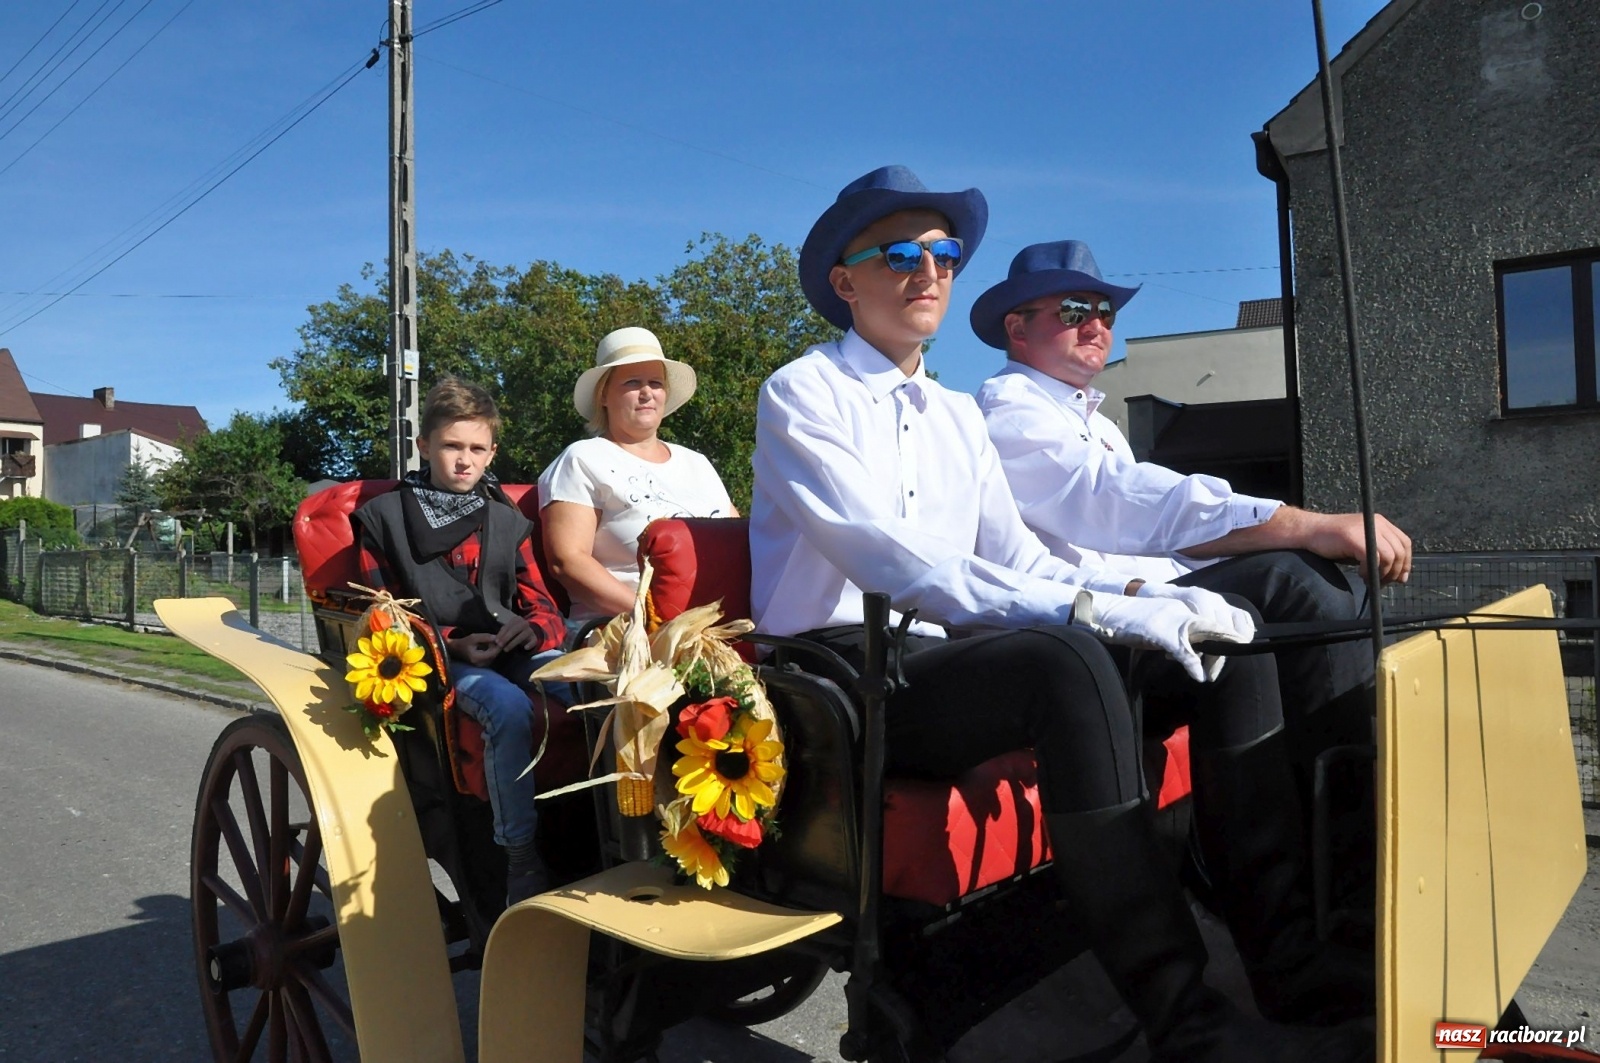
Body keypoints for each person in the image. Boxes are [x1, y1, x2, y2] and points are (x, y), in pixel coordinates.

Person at [749, 165, 1371, 1062]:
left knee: (1228, 642)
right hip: (845, 673)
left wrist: (1155, 601)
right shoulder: (803, 392)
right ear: (846, 282)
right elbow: (891, 560)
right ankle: (1186, 1021)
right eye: (901, 255)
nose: (930, 271)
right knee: (1062, 658)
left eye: (944, 253)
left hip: (944, 652)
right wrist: (1086, 612)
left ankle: (1289, 961)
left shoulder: (957, 414)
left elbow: (1022, 559)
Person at [971, 239, 1409, 804]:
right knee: (1293, 582)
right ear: (1018, 327)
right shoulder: (1008, 408)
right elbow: (1116, 500)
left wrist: (1276, 539)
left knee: (1308, 585)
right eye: (1074, 311)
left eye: (1106, 312)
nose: (1096, 325)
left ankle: (1334, 811)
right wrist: (1299, 524)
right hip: (1084, 631)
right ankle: (1350, 823)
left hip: (1142, 611)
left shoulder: (1097, 424)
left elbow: (1161, 538)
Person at [354, 377, 568, 905]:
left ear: (492, 453)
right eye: (452, 446)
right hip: (440, 660)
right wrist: (450, 643)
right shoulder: (383, 519)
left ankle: (613, 833)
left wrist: (532, 629)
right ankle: (520, 857)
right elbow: (381, 615)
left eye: (477, 448)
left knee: (586, 688)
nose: (465, 460)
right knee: (507, 706)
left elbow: (543, 606)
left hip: (512, 649)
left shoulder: (506, 520)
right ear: (424, 446)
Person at [540, 326, 736, 624]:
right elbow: (567, 562)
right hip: (623, 629)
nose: (647, 393)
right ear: (603, 395)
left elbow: (739, 541)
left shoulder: (698, 463)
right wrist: (654, 618)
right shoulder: (582, 459)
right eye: (632, 382)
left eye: (655, 383)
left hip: (717, 625)